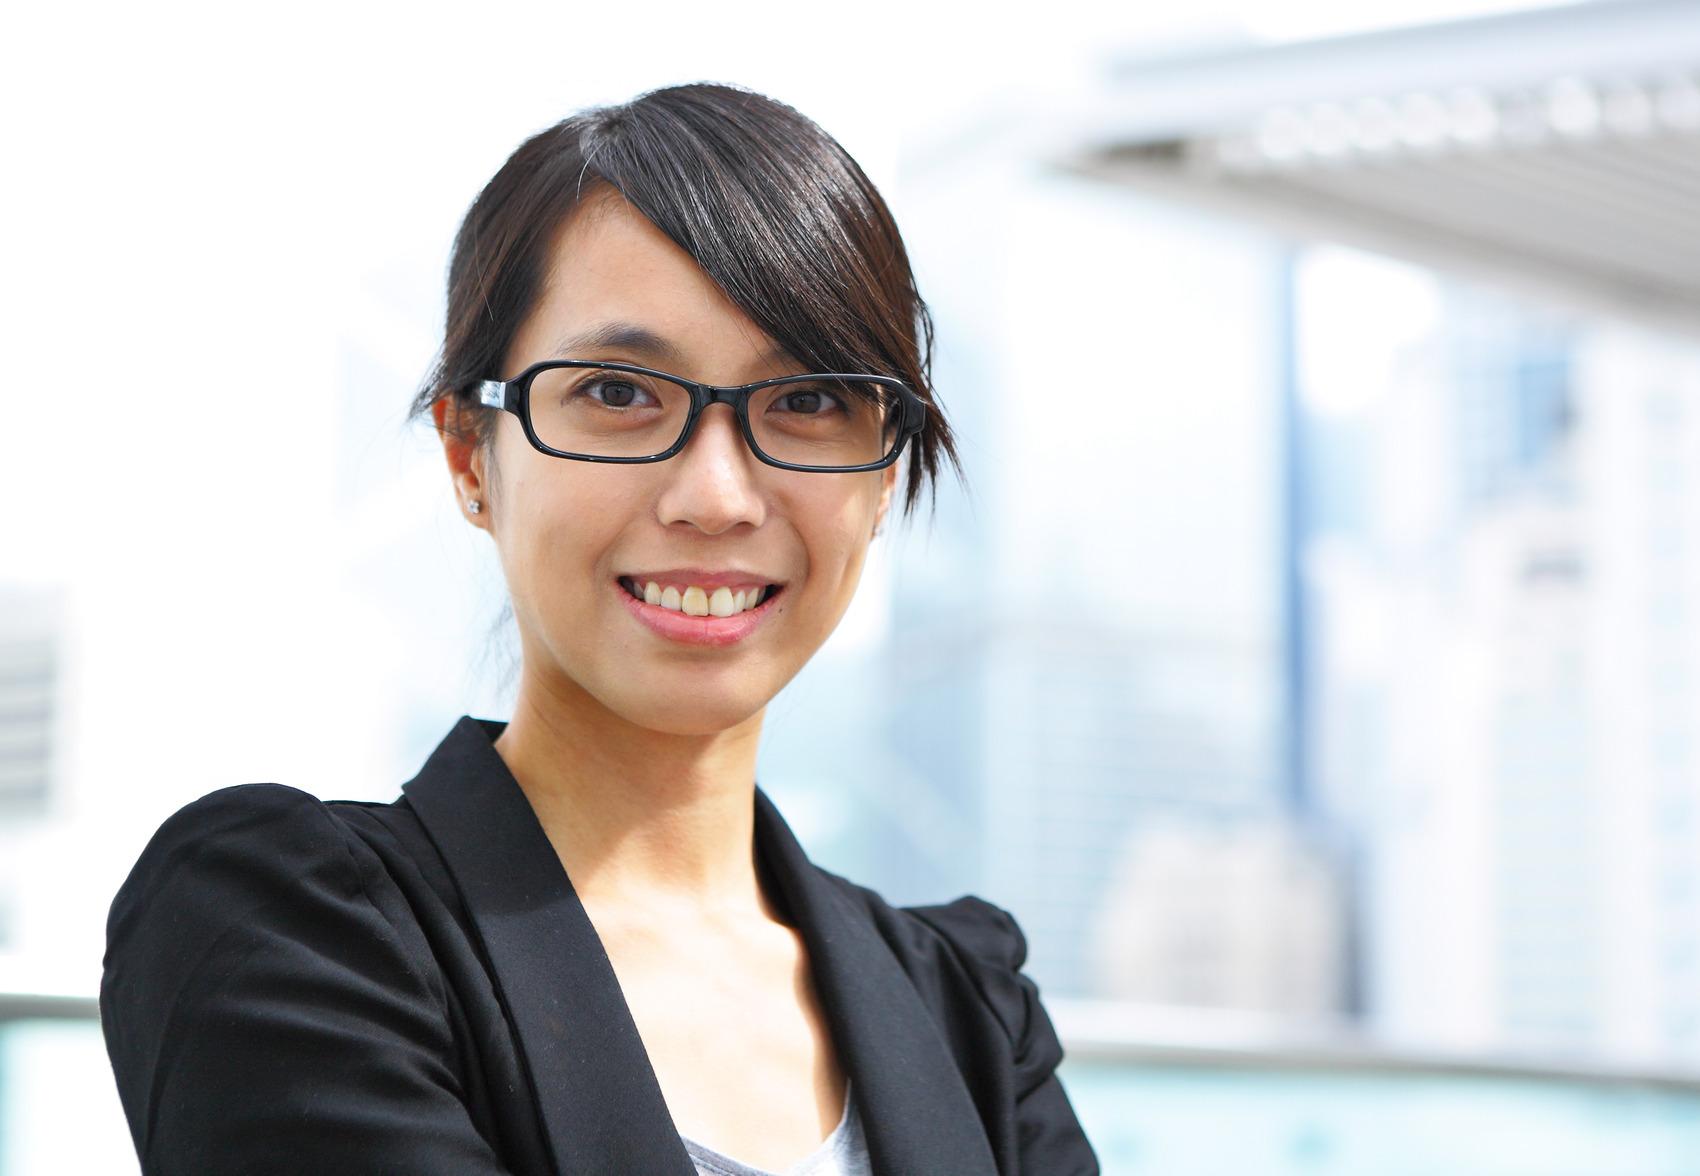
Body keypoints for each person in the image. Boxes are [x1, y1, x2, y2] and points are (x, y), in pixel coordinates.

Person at [99, 82, 1101, 1176]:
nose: (716, 495)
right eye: (619, 393)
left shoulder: (967, 1010)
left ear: (882, 477)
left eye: (808, 400)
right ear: (470, 457)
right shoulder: (293, 932)